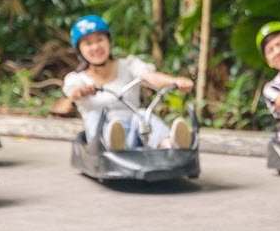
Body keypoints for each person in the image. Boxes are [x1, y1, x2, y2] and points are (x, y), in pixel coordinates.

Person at [62, 14, 195, 151]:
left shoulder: (129, 65)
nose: (95, 47)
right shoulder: (77, 79)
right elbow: (74, 93)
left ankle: (171, 145)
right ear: (80, 50)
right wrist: (84, 90)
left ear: (109, 41)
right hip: (100, 138)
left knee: (142, 114)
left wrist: (176, 81)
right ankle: (113, 145)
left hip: (133, 133)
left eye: (100, 40)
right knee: (94, 115)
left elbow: (150, 77)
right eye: (88, 43)